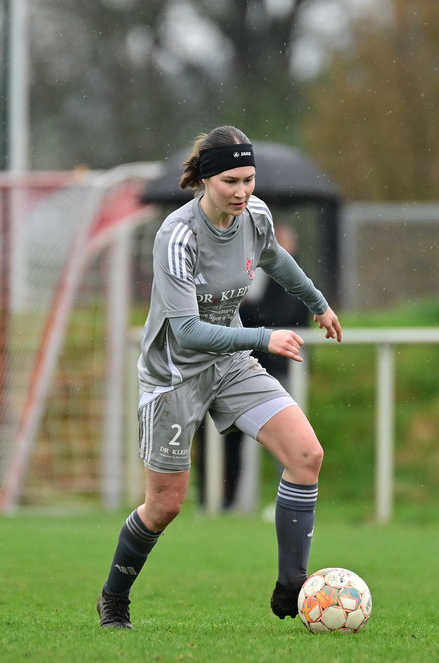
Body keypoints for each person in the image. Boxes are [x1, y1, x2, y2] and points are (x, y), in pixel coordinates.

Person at [95, 125, 342, 629]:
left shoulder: (255, 216)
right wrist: (263, 337)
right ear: (205, 180)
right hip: (173, 378)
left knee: (306, 455)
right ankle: (113, 597)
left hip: (228, 366)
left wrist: (317, 303)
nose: (242, 191)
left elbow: (274, 257)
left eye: (249, 180)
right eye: (230, 180)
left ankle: (291, 586)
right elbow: (186, 332)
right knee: (165, 506)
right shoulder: (177, 236)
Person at [195, 223, 312, 511]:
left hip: (280, 367)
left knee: (288, 439)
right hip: (233, 364)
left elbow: (287, 315)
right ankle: (216, 500)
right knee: (221, 435)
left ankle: (285, 501)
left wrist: (248, 311)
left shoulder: (293, 278)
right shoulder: (235, 271)